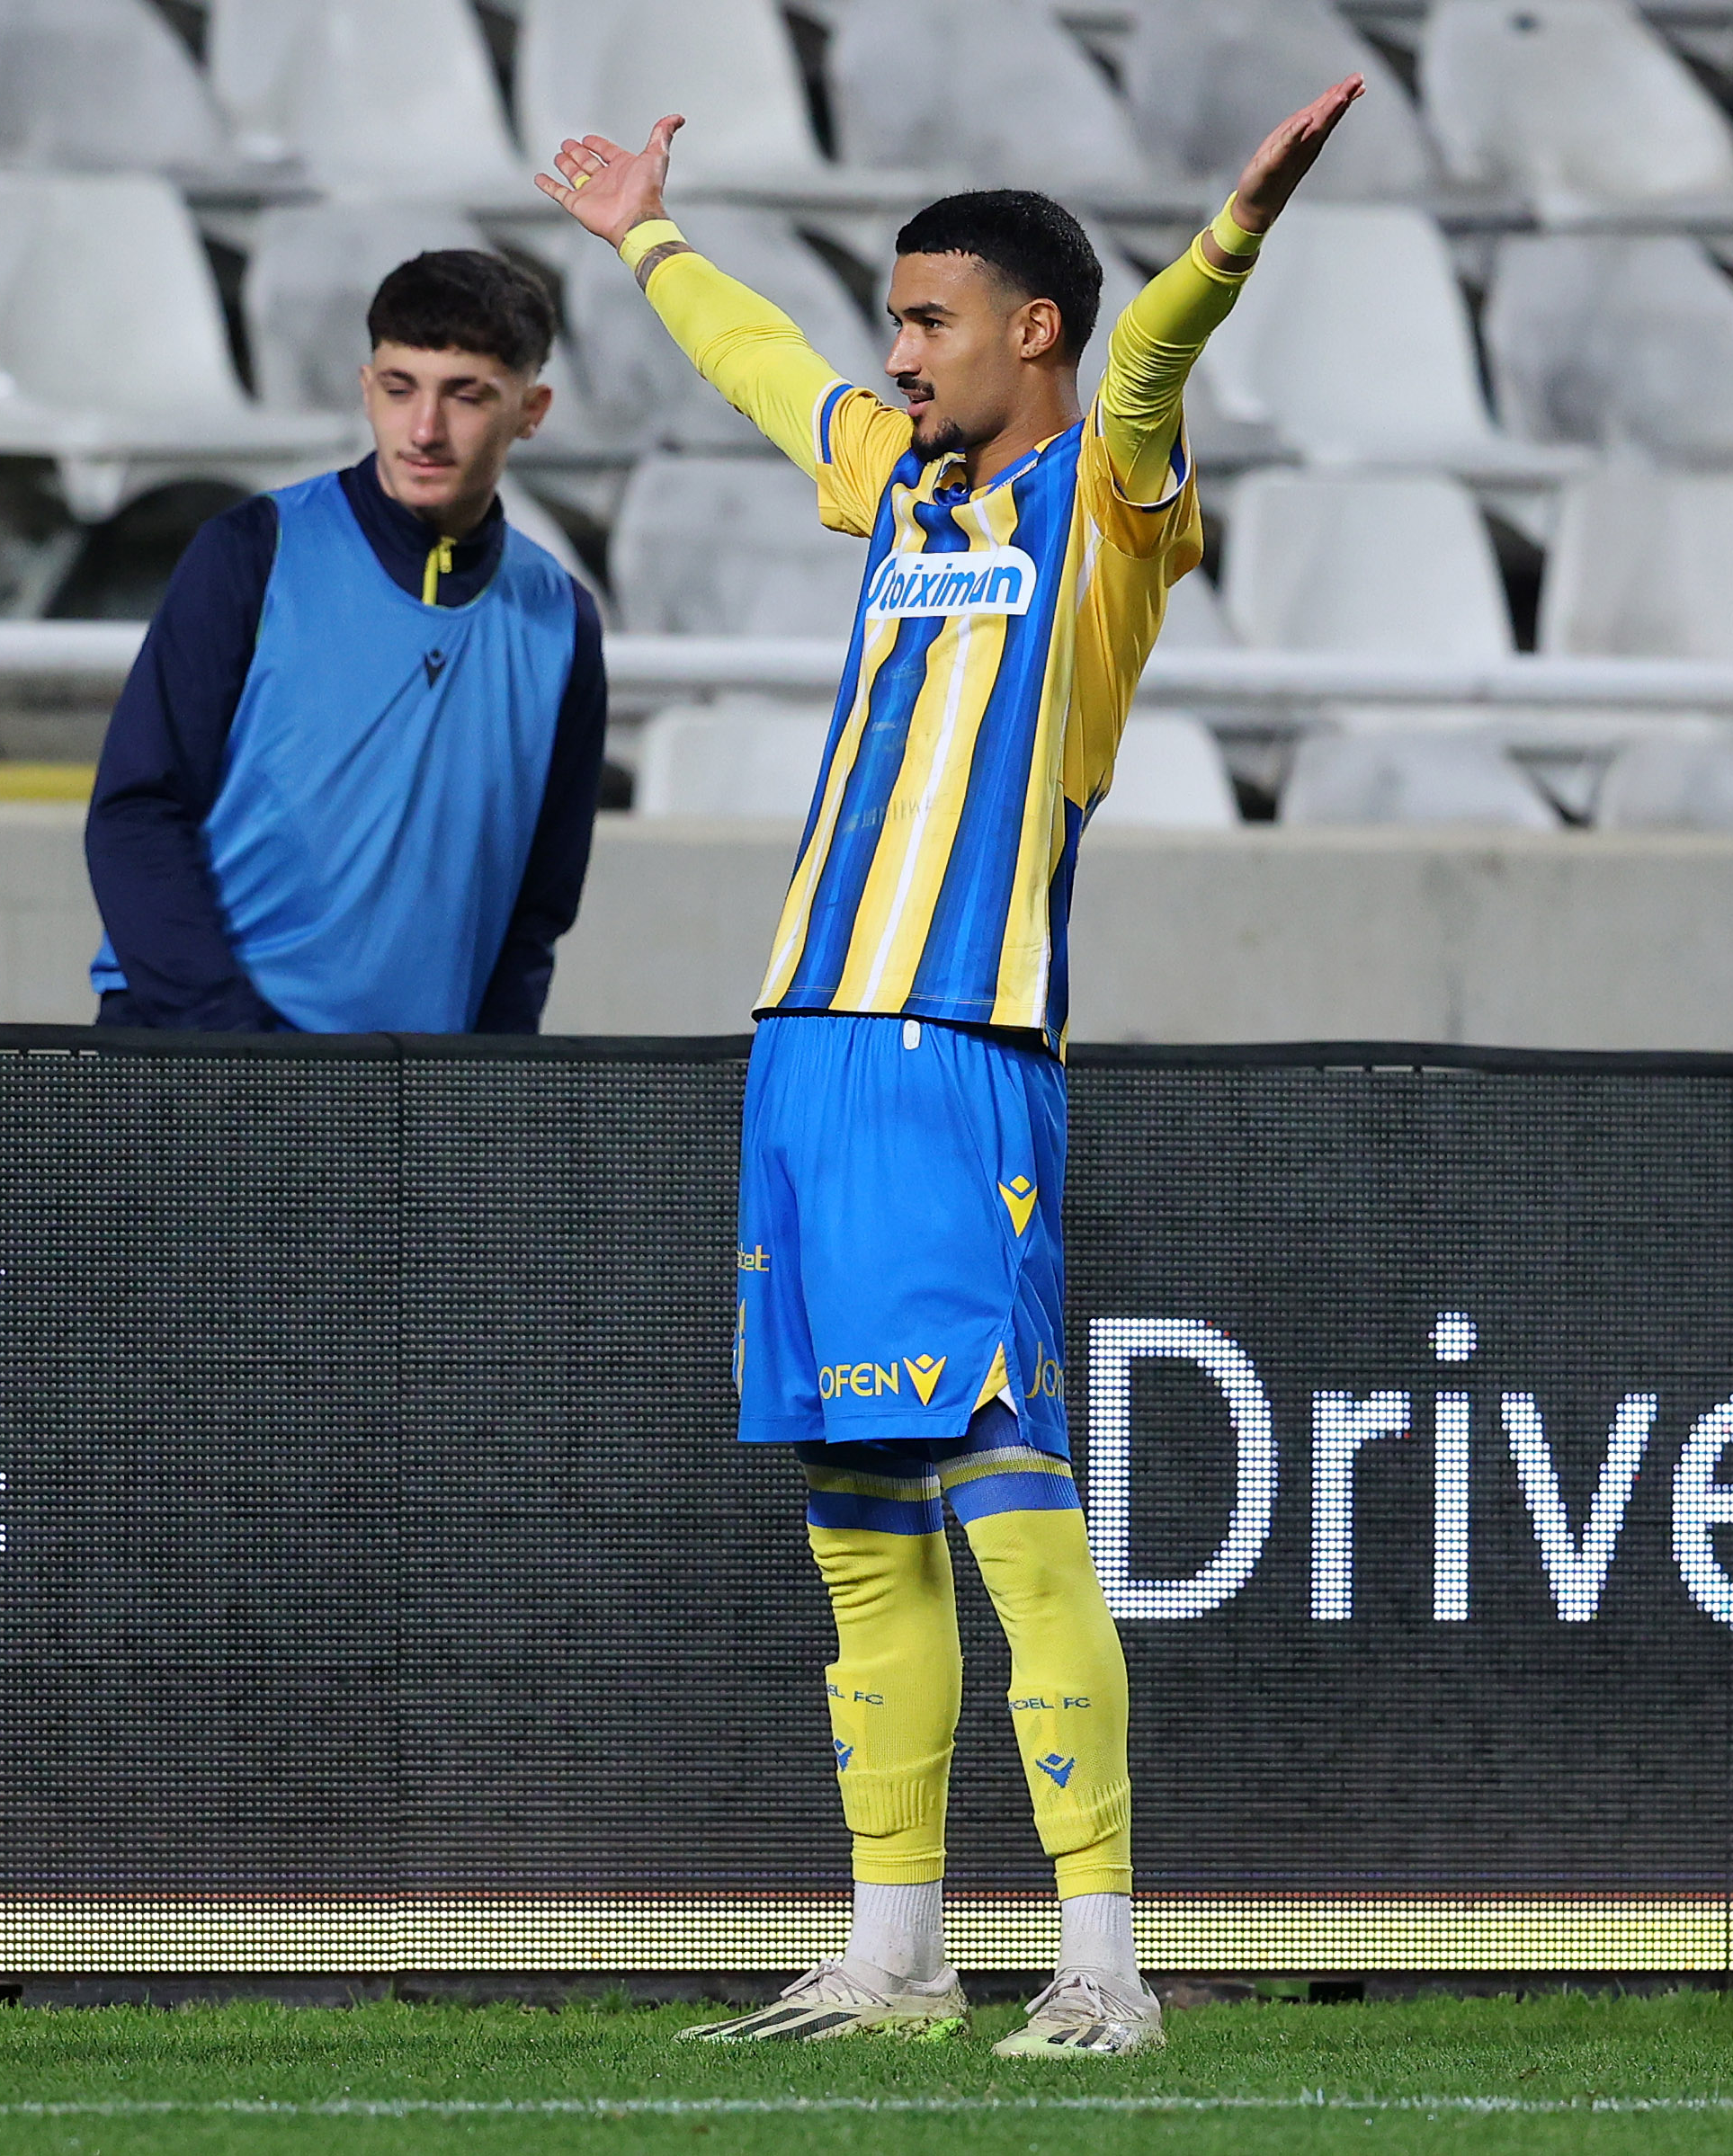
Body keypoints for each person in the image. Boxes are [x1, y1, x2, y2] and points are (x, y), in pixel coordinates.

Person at [539, 81, 1363, 2056]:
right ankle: (892, 1954)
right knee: (855, 1523)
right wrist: (645, 238)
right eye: (894, 323)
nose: (895, 355)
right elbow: (763, 370)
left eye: (927, 321)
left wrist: (1233, 231)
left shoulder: (1106, 506)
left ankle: (1103, 1962)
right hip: (803, 1046)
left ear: (1030, 332)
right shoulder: (897, 486)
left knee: (1011, 1511)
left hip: (953, 1046)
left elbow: (1151, 360)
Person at [85, 251, 610, 1034]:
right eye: (399, 390)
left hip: (413, 1086)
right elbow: (136, 813)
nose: (424, 430)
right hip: (196, 1054)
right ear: (367, 390)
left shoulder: (561, 618)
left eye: (465, 395)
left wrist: (486, 1079)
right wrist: (240, 1050)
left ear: (531, 410)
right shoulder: (251, 551)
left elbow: (538, 904)